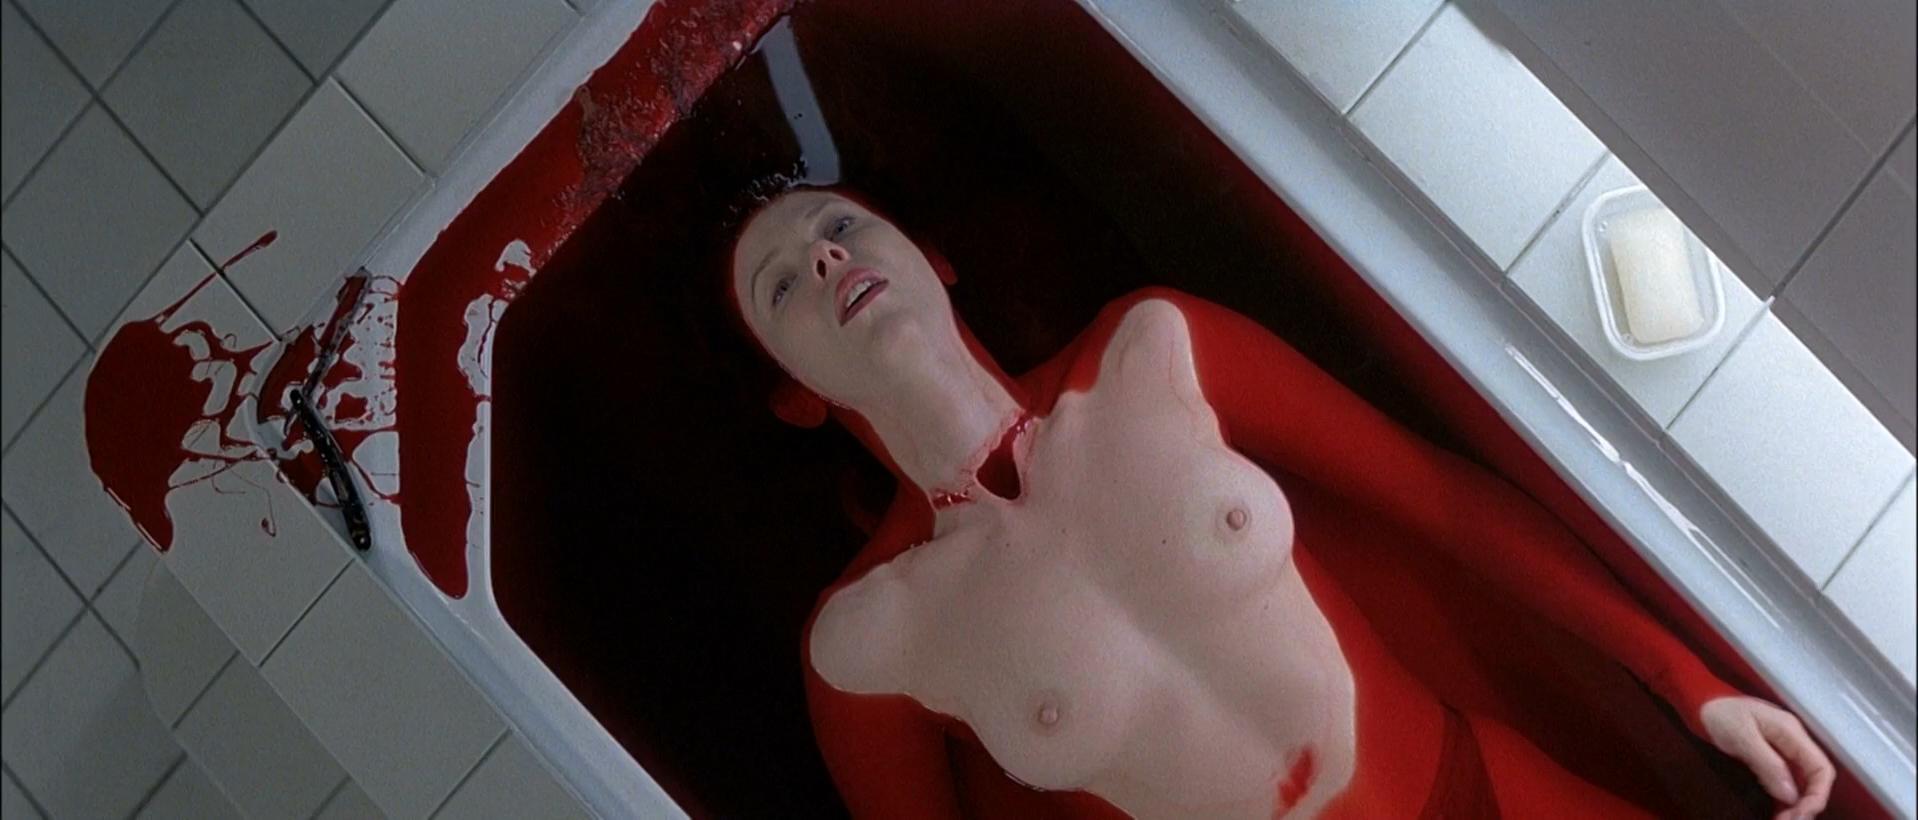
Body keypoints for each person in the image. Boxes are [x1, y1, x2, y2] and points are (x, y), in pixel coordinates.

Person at [729, 187, 1834, 819]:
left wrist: (1686, 682)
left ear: (932, 255)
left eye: (840, 227)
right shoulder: (869, 645)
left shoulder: (1155, 353)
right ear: (794, 396)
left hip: (1487, 793)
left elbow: (1437, 498)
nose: (823, 258)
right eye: (781, 283)